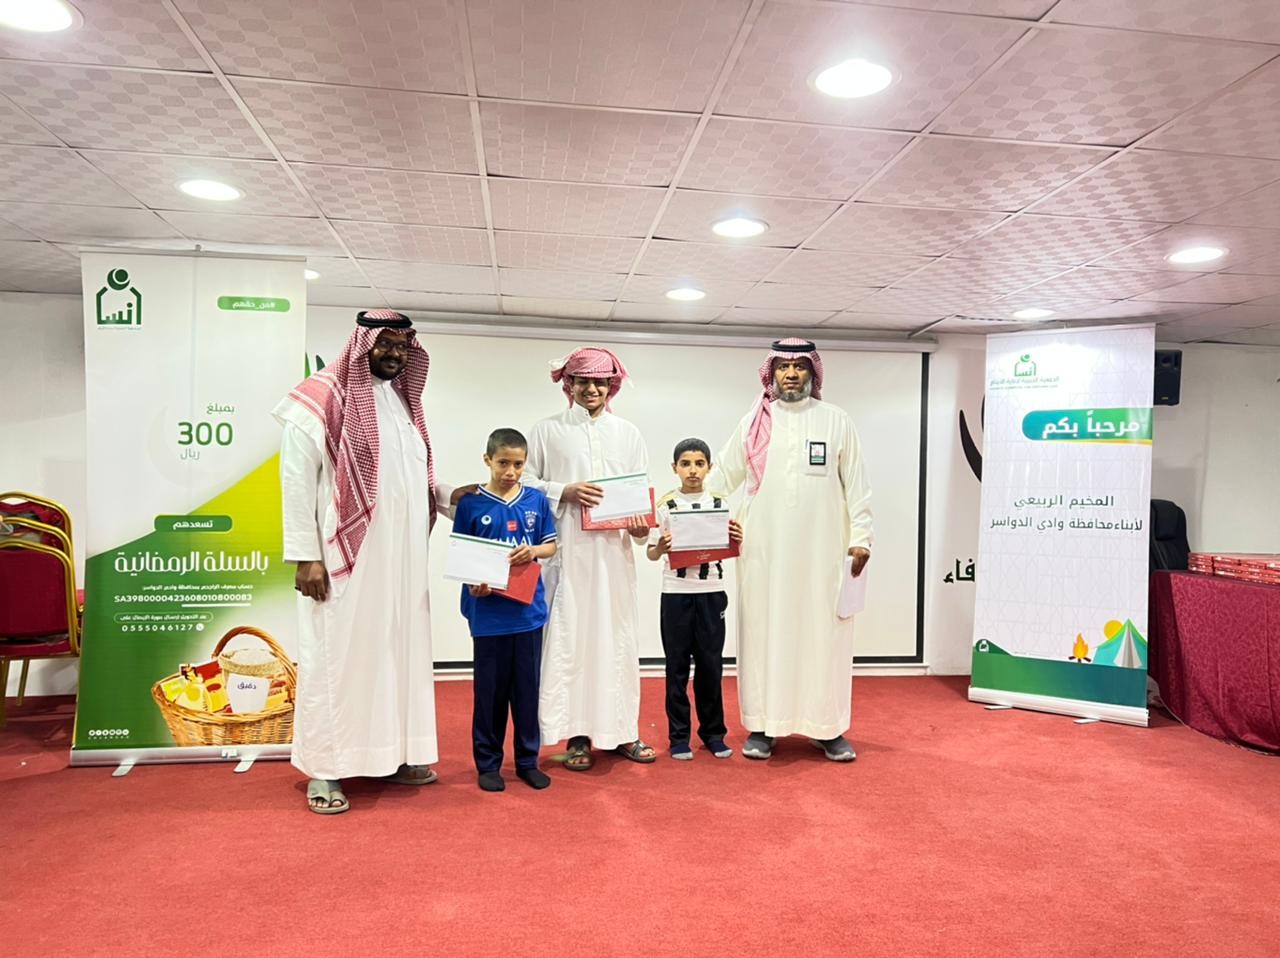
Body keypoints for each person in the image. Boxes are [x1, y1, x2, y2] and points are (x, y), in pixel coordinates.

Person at [274, 308, 460, 814]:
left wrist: (451, 497)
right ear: (363, 344)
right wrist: (305, 556)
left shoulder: (402, 403)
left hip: (401, 561)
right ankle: (325, 769)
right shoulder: (322, 398)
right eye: (386, 343)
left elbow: (406, 480)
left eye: (403, 346)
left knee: (397, 655)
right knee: (337, 658)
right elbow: (295, 481)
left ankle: (392, 755)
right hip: (344, 559)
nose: (395, 354)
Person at [714, 338, 872, 763]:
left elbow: (858, 485)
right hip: (763, 553)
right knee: (764, 635)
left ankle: (828, 728)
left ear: (812, 373)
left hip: (824, 554)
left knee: (825, 638)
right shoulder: (753, 424)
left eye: (799, 366)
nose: (790, 374)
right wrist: (688, 513)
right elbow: (719, 479)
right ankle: (764, 726)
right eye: (783, 367)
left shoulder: (836, 421)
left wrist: (862, 537)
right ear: (771, 373)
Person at [525, 346, 656, 771]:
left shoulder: (628, 433)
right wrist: (563, 491)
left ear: (611, 385)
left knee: (618, 641)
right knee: (573, 640)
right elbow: (525, 481)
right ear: (569, 384)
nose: (592, 389)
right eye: (583, 381)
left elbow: (639, 494)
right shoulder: (546, 430)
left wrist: (641, 527)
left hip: (614, 559)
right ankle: (578, 736)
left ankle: (623, 731)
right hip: (568, 554)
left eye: (600, 382)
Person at [453, 428, 558, 793]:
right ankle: (488, 764)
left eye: (517, 464)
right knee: (490, 695)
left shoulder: (536, 500)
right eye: (502, 463)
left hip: (528, 613)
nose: (510, 471)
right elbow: (462, 557)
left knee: (527, 693)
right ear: (487, 460)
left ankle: (528, 761)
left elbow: (550, 546)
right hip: (488, 616)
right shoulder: (470, 505)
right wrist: (474, 585)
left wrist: (533, 551)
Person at [646, 438, 743, 760]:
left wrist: (737, 539)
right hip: (676, 593)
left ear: (709, 467)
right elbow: (651, 552)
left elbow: (731, 544)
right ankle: (679, 737)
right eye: (685, 464)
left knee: (711, 666)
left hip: (711, 592)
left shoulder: (720, 502)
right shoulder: (665, 505)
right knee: (676, 667)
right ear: (674, 468)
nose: (692, 470)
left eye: (699, 464)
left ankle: (714, 733)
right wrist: (661, 547)